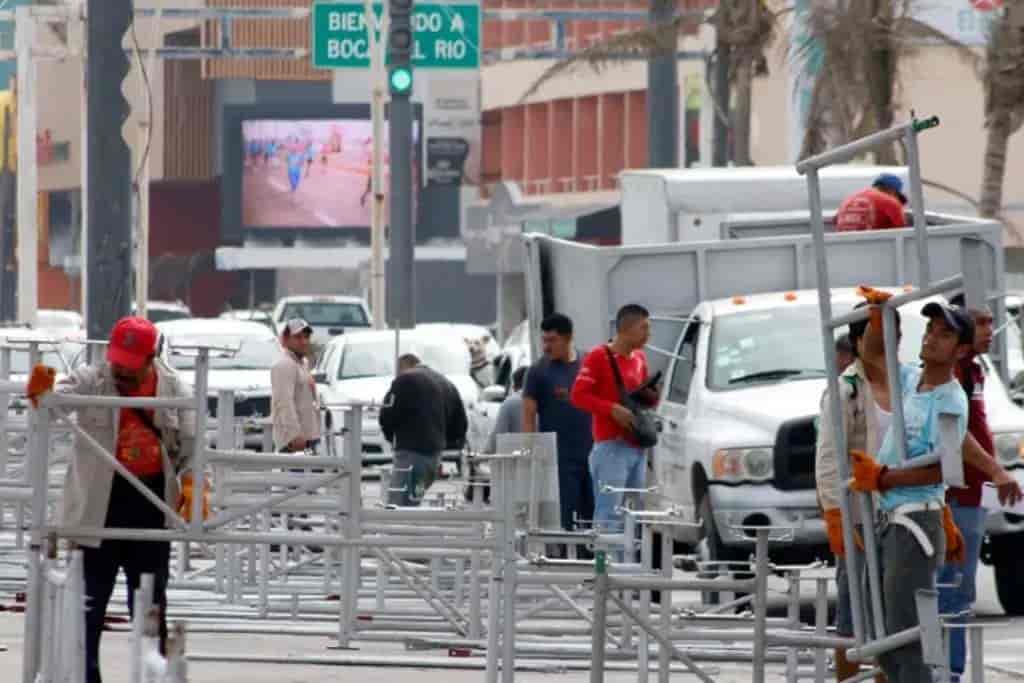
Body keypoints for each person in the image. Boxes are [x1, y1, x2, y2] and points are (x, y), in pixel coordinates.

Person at [27, 316, 197, 683]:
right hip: (97, 501)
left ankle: (155, 677)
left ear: (151, 358)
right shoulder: (94, 378)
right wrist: (42, 385)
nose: (120, 370)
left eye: (129, 365)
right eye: (117, 360)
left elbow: (192, 445)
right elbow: (49, 401)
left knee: (151, 606)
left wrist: (194, 485)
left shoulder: (174, 389)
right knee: (87, 606)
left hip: (150, 501)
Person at [849, 294, 974, 683]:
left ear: (962, 350)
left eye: (945, 335)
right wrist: (876, 316)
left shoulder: (950, 400)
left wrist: (884, 478)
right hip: (890, 518)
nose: (932, 338)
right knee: (884, 631)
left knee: (906, 633)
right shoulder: (909, 381)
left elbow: (944, 468)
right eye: (930, 330)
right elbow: (872, 358)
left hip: (915, 521)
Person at [938, 294, 1024, 682]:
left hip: (974, 495)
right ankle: (947, 672)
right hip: (955, 496)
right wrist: (996, 470)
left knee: (959, 591)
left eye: (992, 321)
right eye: (983, 322)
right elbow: (953, 434)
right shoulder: (952, 373)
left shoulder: (974, 370)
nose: (991, 330)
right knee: (952, 591)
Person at [816, 303, 901, 682]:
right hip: (858, 520)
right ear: (857, 341)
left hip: (904, 518)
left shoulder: (910, 383)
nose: (885, 340)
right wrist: (836, 515)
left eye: (891, 332)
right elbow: (829, 459)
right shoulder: (845, 389)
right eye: (875, 333)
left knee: (895, 618)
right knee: (853, 615)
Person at [571, 304, 658, 538]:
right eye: (644, 328)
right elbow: (578, 395)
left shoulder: (639, 358)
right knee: (610, 513)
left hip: (637, 446)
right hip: (611, 446)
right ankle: (607, 567)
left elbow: (644, 399)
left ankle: (631, 568)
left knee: (635, 514)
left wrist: (652, 396)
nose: (649, 334)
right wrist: (610, 409)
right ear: (626, 328)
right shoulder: (599, 356)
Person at [523, 314, 595, 539]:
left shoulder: (589, 363)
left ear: (568, 338)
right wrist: (531, 452)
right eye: (544, 340)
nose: (546, 346)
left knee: (593, 514)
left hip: (593, 453)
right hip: (559, 459)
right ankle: (565, 562)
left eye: (552, 340)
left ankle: (593, 561)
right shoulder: (538, 372)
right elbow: (528, 416)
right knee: (566, 517)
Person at [380, 353, 468, 506]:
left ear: (402, 368)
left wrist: (392, 438)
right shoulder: (447, 384)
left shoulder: (405, 379)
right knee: (414, 501)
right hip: (433, 460)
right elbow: (461, 425)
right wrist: (445, 442)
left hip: (409, 454)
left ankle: (401, 530)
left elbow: (386, 414)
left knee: (397, 508)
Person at [271, 319, 321, 453]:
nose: (304, 341)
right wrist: (294, 435)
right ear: (285, 340)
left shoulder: (301, 363)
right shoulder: (284, 364)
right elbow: (284, 402)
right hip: (294, 443)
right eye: (298, 337)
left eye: (306, 337)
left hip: (307, 439)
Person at [835, 173, 908, 232]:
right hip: (874, 247)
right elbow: (902, 231)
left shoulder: (848, 200)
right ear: (892, 191)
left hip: (842, 247)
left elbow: (835, 220)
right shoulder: (892, 202)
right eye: (897, 197)